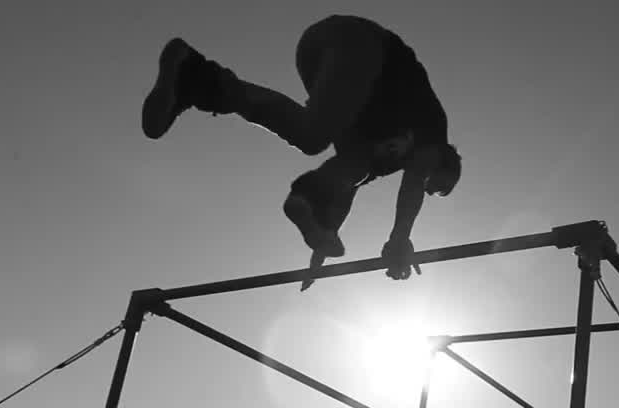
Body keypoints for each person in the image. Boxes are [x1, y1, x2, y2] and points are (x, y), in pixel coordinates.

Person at [141, 14, 461, 288]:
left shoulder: (379, 154)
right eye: (440, 187)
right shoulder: (433, 128)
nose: (431, 191)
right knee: (319, 138)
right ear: (445, 162)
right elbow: (414, 184)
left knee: (348, 161)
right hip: (365, 46)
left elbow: (346, 184)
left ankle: (202, 85)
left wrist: (322, 239)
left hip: (316, 51)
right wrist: (399, 238)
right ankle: (198, 73)